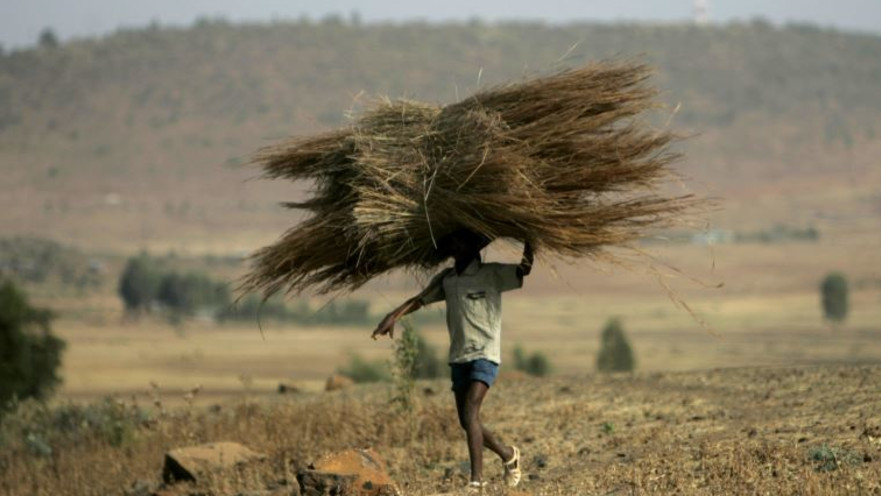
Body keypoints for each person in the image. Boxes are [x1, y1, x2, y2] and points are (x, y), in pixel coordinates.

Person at [372, 229, 534, 493]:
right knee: (468, 421)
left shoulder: (491, 274)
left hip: (485, 354)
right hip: (459, 356)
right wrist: (393, 316)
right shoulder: (448, 280)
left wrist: (531, 239)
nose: (454, 246)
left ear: (472, 248)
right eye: (452, 243)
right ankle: (508, 455)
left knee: (471, 413)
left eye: (459, 242)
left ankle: (476, 480)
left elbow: (523, 271)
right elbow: (419, 300)